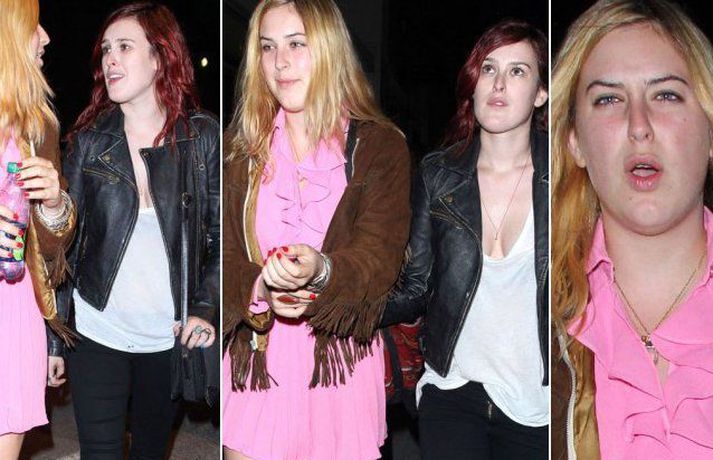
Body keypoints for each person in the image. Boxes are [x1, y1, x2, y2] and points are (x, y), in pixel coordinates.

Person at [221, 0, 411, 458]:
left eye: (296, 44)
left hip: (339, 366)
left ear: (328, 48)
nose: (280, 62)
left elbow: (380, 259)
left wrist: (321, 270)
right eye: (268, 47)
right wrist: (260, 286)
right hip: (258, 358)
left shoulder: (379, 146)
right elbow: (221, 254)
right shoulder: (241, 150)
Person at [47, 2, 220, 458]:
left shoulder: (201, 138)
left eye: (125, 47)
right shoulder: (89, 141)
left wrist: (205, 307)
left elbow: (222, 237)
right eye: (106, 49)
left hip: (168, 338)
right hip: (96, 332)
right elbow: (64, 247)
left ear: (160, 57)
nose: (110, 59)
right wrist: (54, 340)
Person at [381, 19, 549, 460]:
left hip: (537, 403)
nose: (498, 83)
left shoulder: (566, 179)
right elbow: (415, 288)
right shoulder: (438, 174)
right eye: (488, 68)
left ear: (541, 93)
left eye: (517, 71)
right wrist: (334, 294)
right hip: (452, 389)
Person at [551, 1, 713, 459]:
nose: (639, 126)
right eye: (608, 99)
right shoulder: (536, 315)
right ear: (575, 142)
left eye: (666, 95)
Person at [0, 0, 77, 457]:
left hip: (11, 306)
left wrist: (52, 202)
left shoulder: (38, 124)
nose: (45, 36)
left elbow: (54, 245)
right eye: (34, 24)